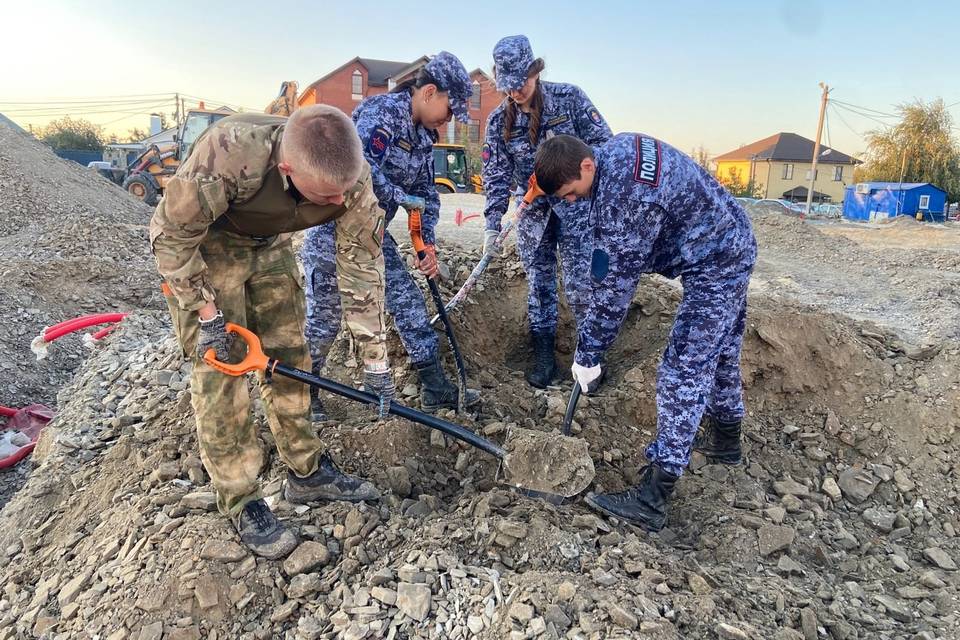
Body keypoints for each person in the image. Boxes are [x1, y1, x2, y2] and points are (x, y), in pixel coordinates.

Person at [150, 105, 395, 559]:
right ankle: (241, 498)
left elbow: (361, 267)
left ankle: (306, 471)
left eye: (343, 193)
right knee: (222, 372)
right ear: (286, 169)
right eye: (325, 197)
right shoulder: (227, 155)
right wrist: (206, 315)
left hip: (272, 244)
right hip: (209, 245)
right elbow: (171, 235)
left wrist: (375, 360)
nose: (338, 204)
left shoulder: (350, 177)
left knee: (289, 359)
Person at [533, 133, 757, 532]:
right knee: (720, 350)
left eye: (569, 193)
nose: (570, 201)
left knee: (682, 369)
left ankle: (652, 498)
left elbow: (615, 292)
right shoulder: (615, 149)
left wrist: (588, 354)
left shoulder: (627, 200)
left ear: (586, 166)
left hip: (717, 261)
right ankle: (726, 440)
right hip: (729, 238)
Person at [302, 52, 480, 415]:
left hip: (374, 235)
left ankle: (433, 385)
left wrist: (424, 242)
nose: (448, 121)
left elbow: (427, 195)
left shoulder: (423, 137)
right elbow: (358, 169)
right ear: (429, 92)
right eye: (449, 110)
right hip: (333, 231)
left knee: (408, 301)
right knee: (324, 318)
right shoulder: (380, 114)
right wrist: (400, 196)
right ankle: (306, 393)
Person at [481, 35, 612, 388]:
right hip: (533, 215)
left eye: (521, 82)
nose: (516, 92)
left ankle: (591, 358)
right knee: (539, 284)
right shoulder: (497, 122)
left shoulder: (570, 99)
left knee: (582, 284)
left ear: (535, 71)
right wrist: (492, 224)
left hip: (576, 208)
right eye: (508, 86)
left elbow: (604, 146)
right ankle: (543, 353)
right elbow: (495, 174)